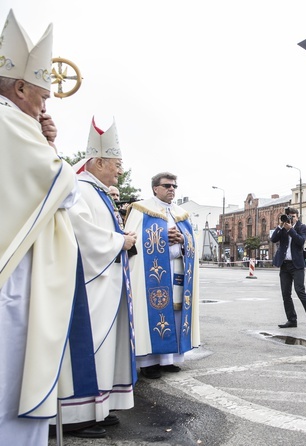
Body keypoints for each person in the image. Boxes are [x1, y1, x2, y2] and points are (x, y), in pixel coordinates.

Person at [0, 10, 96, 444]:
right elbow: (64, 188)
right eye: (42, 94)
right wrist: (48, 143)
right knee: (14, 379)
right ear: (18, 87)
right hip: (15, 278)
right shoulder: (9, 123)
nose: (46, 104)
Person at [61, 118, 138, 438]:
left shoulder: (97, 190)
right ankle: (75, 415)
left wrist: (121, 238)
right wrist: (121, 241)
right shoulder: (80, 189)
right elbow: (82, 234)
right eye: (117, 164)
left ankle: (98, 406)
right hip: (88, 288)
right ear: (99, 161)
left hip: (106, 287)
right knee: (88, 348)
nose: (120, 170)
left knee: (104, 350)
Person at [125, 172, 201, 380]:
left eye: (174, 186)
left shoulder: (181, 213)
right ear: (155, 188)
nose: (171, 189)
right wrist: (160, 236)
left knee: (175, 315)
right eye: (167, 185)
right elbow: (131, 240)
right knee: (152, 315)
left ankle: (168, 359)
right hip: (151, 273)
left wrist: (183, 239)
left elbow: (193, 244)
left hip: (177, 269)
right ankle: (149, 362)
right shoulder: (141, 209)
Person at [271, 207, 306, 330]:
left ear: (297, 216)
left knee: (300, 291)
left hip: (297, 265)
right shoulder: (283, 228)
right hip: (284, 265)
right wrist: (281, 226)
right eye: (288, 216)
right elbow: (273, 239)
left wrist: (291, 229)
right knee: (285, 294)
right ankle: (291, 320)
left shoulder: (302, 227)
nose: (290, 218)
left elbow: (300, 241)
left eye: (293, 216)